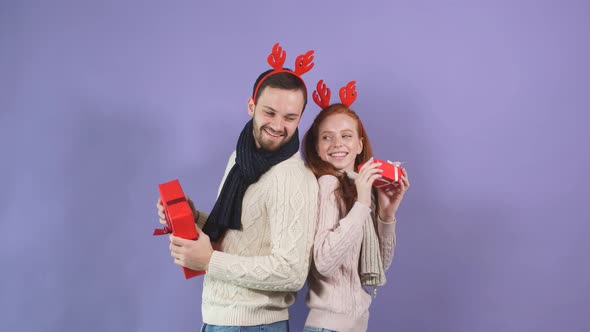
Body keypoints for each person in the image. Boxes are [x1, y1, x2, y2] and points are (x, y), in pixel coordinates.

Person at [157, 43, 319, 331]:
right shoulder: (240, 158)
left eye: (290, 118)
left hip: (253, 325)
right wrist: (193, 218)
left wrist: (210, 260)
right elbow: (240, 235)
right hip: (219, 318)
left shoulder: (292, 177)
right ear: (251, 106)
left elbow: (292, 271)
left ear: (300, 118)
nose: (278, 125)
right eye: (270, 112)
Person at [300, 80, 410, 332]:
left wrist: (386, 213)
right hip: (328, 326)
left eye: (346, 136)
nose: (338, 143)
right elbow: (324, 262)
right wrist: (361, 203)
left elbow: (378, 267)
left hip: (355, 325)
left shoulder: (359, 189)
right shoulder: (328, 185)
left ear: (359, 144)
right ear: (317, 148)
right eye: (327, 137)